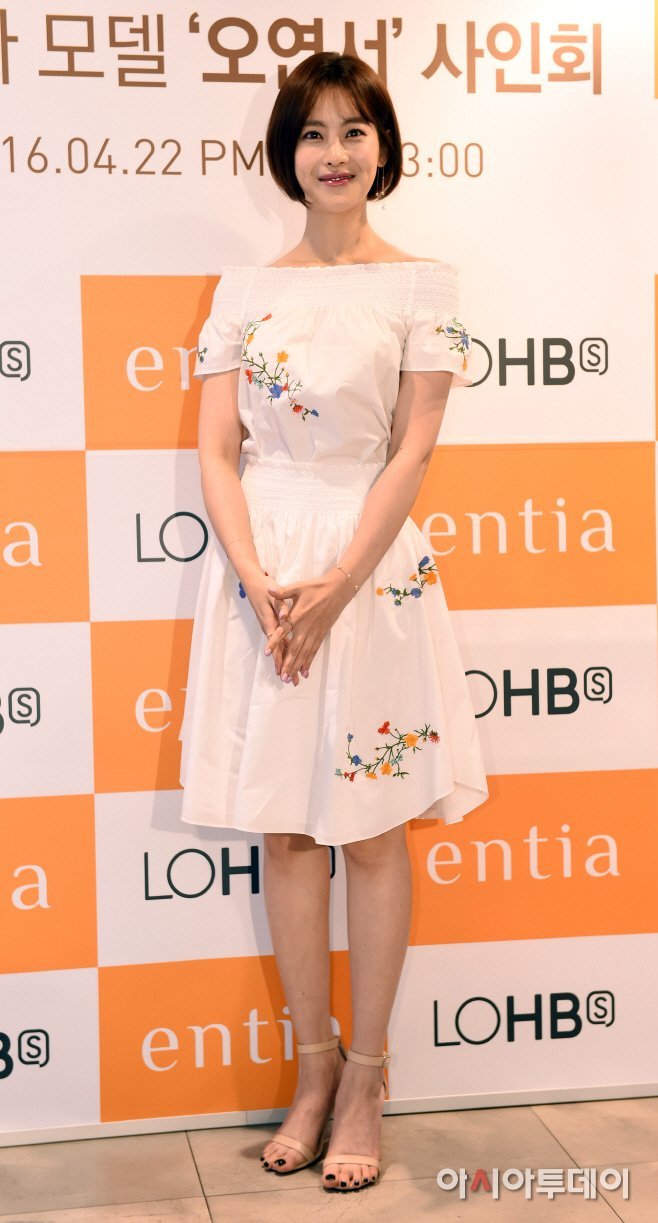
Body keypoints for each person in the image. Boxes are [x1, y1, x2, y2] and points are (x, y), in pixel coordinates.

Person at [179, 50, 489, 1193]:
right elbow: (218, 450)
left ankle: (367, 1073)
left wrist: (342, 579)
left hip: (369, 571)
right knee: (288, 832)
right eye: (313, 132)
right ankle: (310, 1069)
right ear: (286, 153)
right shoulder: (241, 290)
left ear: (383, 148)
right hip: (263, 570)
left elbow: (412, 449)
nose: (335, 152)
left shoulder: (422, 284)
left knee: (370, 830)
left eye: (355, 129)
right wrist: (257, 576)